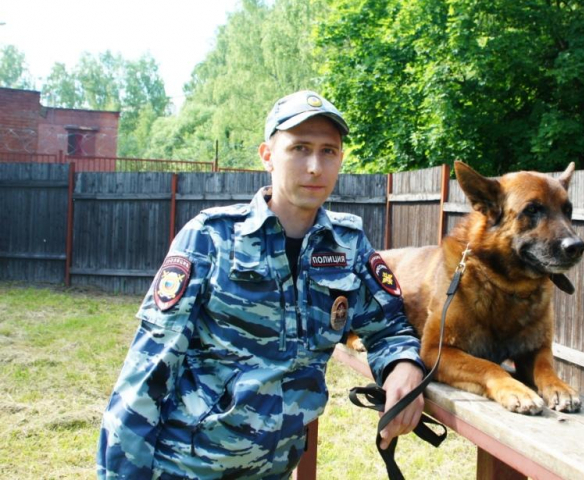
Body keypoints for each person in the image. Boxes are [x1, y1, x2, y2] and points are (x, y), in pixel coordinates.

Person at [97, 90, 425, 479]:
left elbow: (389, 326)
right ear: (267, 156)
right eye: (299, 149)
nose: (315, 167)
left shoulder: (346, 245)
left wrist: (403, 365)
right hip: (186, 466)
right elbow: (149, 367)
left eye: (328, 151)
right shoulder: (211, 237)